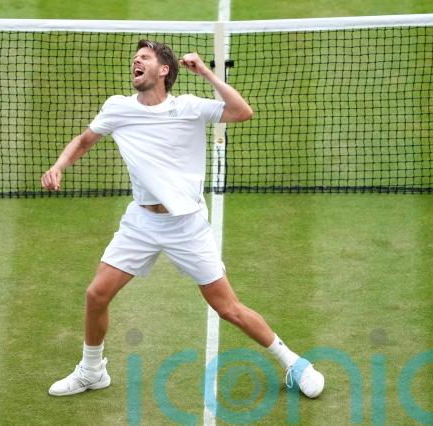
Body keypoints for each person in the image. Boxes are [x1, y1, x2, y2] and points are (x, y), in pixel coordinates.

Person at [41, 40, 324, 399]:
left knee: (227, 308)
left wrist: (206, 72)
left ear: (164, 70)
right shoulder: (118, 108)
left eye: (145, 57)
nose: (136, 61)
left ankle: (295, 363)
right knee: (96, 294)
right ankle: (92, 371)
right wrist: (58, 166)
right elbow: (83, 141)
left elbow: (242, 112)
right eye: (135, 58)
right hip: (142, 222)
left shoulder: (189, 107)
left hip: (187, 226)